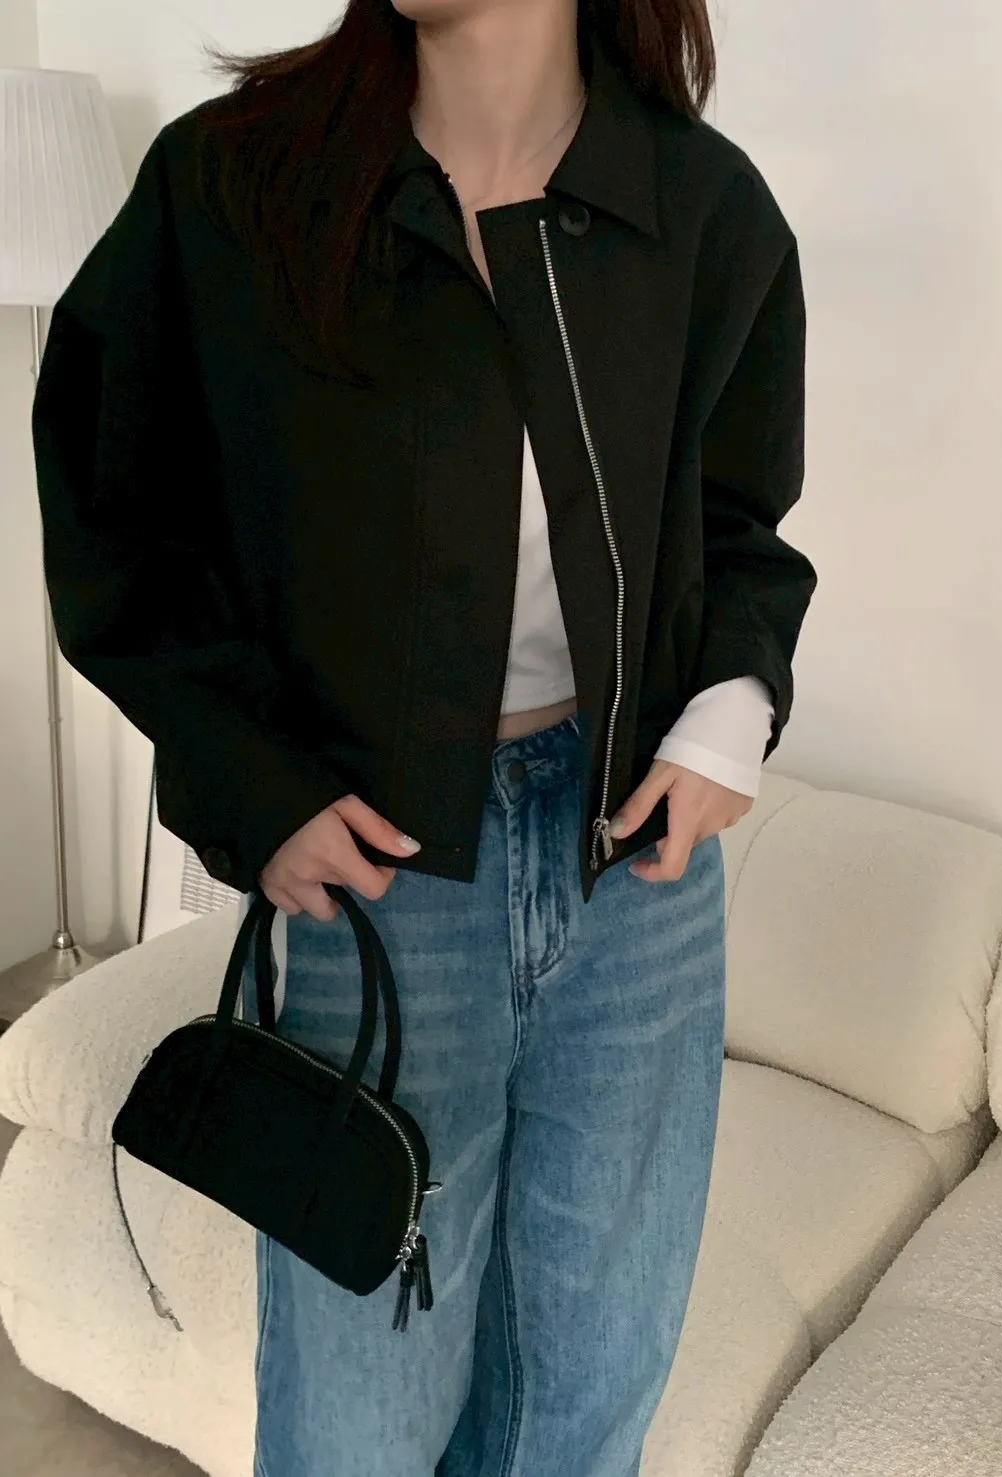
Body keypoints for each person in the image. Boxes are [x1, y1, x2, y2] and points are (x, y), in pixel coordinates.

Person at [31, 0, 817, 1472]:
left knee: (590, 1386)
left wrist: (729, 713)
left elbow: (739, 525)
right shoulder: (236, 188)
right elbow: (116, 514)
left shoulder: (698, 206)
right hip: (380, 876)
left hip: (634, 880)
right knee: (359, 1414)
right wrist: (254, 786)